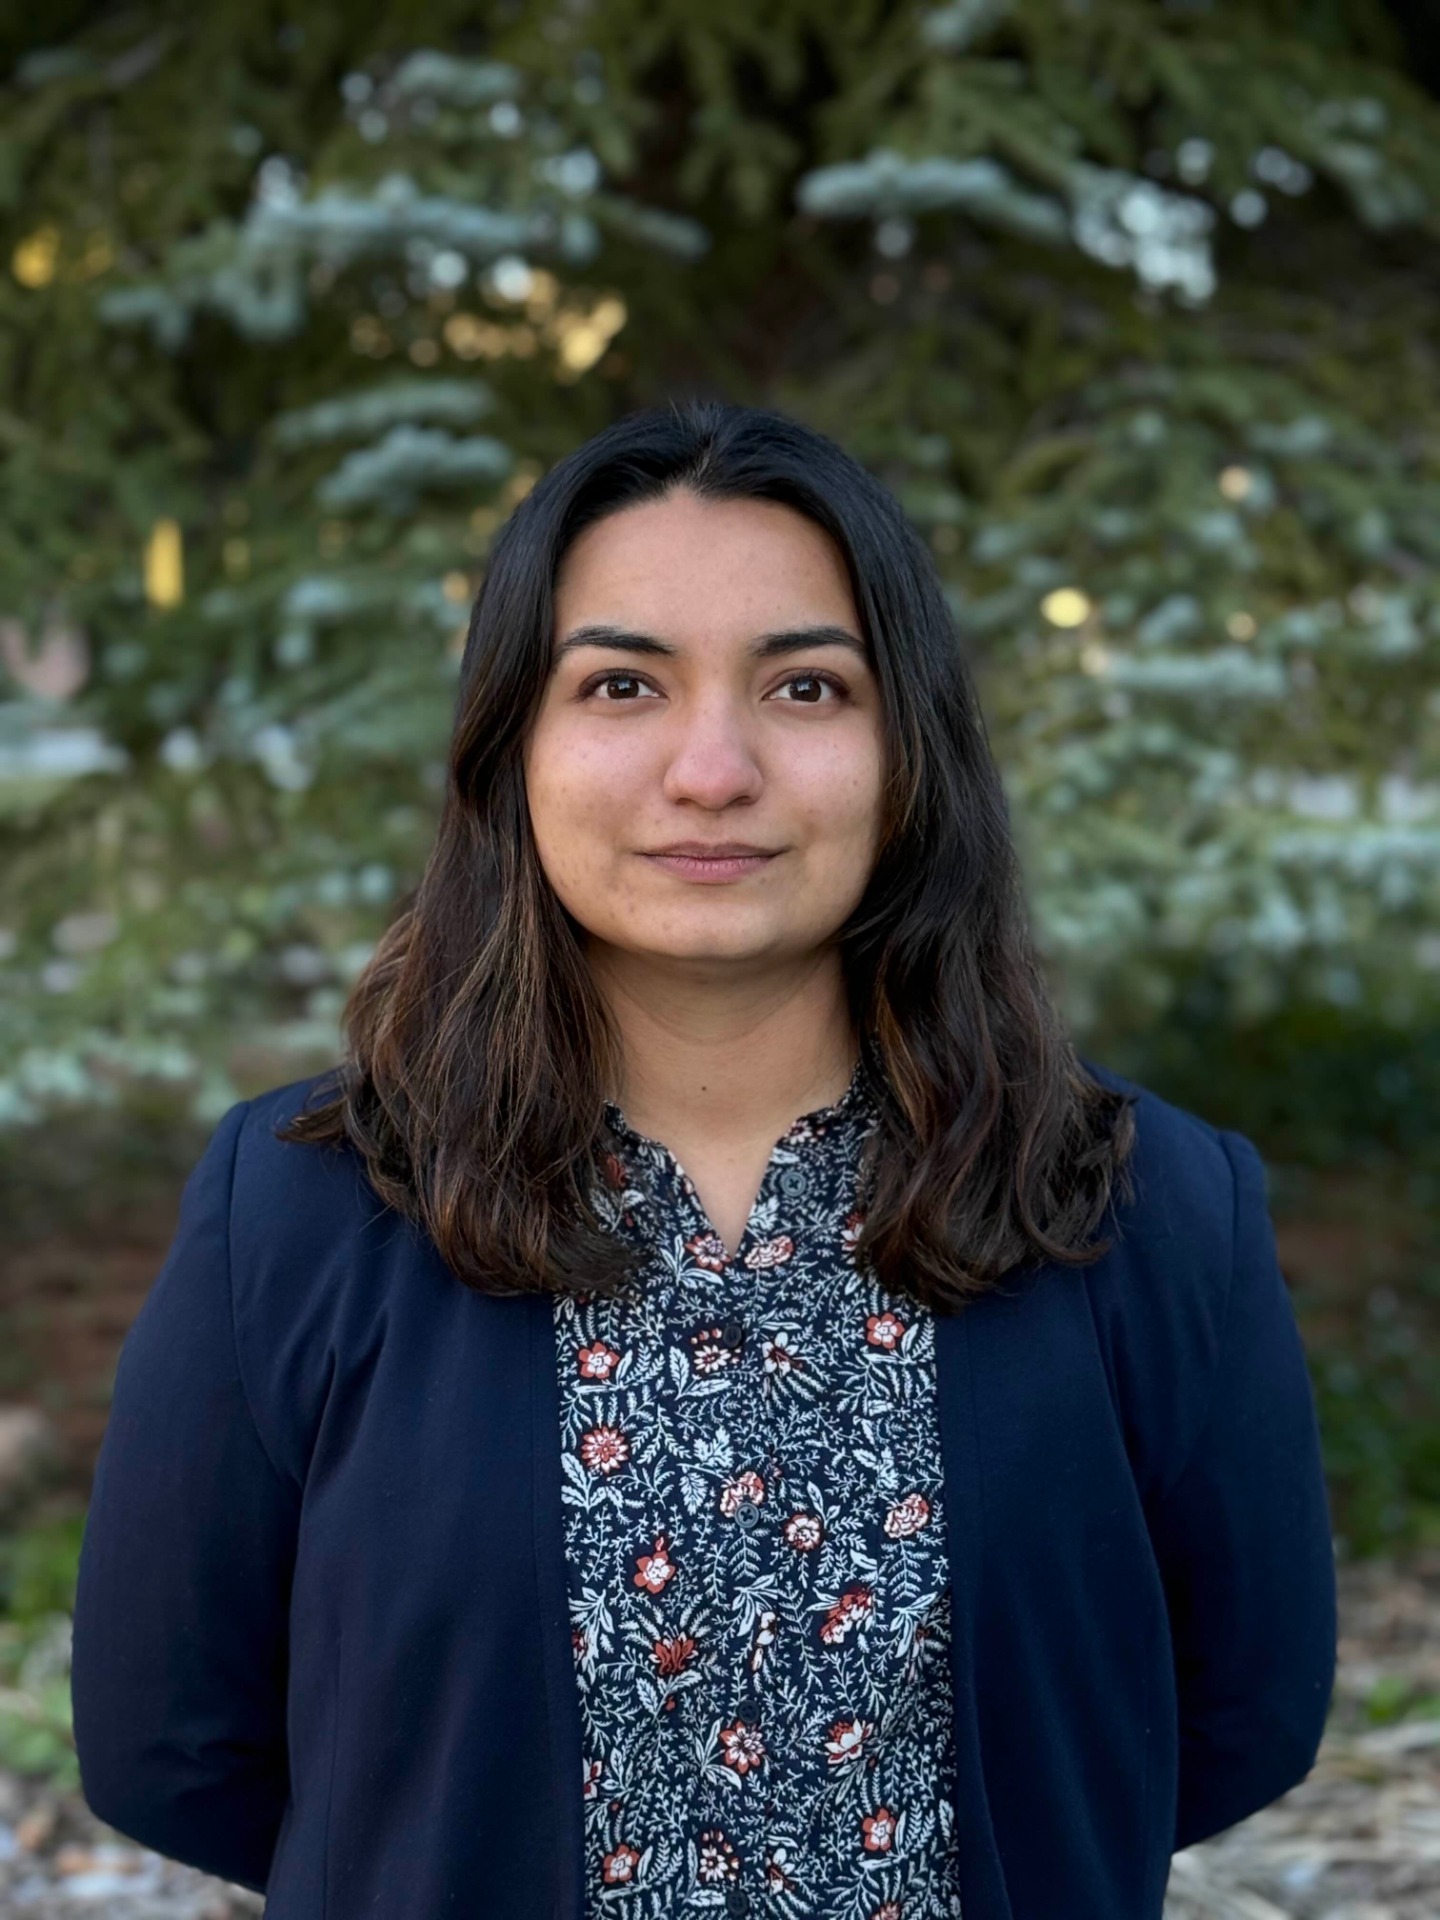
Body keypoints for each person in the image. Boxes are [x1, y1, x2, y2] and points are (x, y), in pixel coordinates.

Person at [69, 398, 1337, 1920]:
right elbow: (167, 1739)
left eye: (807, 686)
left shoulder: (1145, 1208)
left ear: (910, 748)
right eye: (622, 684)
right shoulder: (301, 1210)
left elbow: (1237, 1712)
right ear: (512, 745)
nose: (714, 768)